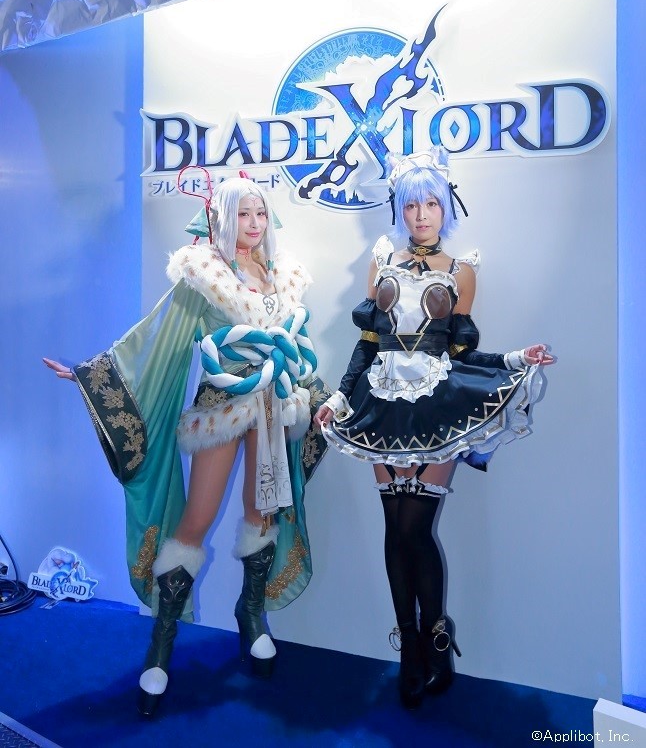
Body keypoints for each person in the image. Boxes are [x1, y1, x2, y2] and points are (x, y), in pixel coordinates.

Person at [44, 174, 328, 717]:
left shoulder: (282, 275)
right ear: (223, 217)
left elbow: (297, 347)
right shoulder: (203, 274)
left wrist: (321, 396)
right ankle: (162, 641)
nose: (253, 224)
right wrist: (91, 374)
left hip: (273, 407)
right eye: (243, 214)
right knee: (195, 520)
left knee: (261, 513)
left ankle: (251, 614)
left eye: (260, 214)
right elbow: (156, 336)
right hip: (222, 406)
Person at [313, 147, 554, 709]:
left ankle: (436, 639)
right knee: (394, 530)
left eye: (431, 203)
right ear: (398, 208)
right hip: (380, 405)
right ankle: (410, 650)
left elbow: (462, 352)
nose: (421, 214)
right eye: (411, 204)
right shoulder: (381, 262)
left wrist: (514, 360)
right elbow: (367, 345)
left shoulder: (461, 269)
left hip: (437, 406)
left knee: (416, 530)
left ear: (445, 207)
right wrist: (339, 396)